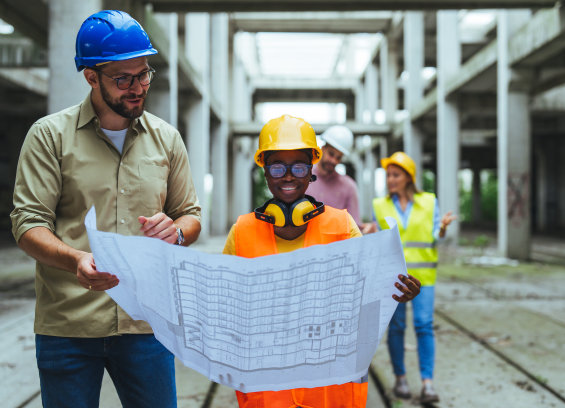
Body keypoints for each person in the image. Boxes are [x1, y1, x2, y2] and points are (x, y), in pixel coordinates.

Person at [10, 10, 201, 408]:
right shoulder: (49, 137)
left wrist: (178, 231)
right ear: (91, 76)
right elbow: (28, 224)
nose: (137, 87)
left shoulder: (167, 140)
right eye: (123, 78)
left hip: (147, 322)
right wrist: (75, 258)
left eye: (144, 74)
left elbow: (190, 214)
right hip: (69, 326)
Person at [223, 115, 422, 408]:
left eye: (299, 166)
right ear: (265, 171)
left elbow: (369, 285)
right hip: (269, 389)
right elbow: (226, 302)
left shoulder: (342, 225)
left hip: (327, 390)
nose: (288, 176)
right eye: (277, 166)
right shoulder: (242, 231)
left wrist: (395, 289)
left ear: (310, 171)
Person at [371, 151, 456, 404]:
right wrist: (369, 232)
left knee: (423, 325)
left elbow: (434, 234)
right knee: (396, 328)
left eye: (395, 175)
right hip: (394, 278)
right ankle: (400, 378)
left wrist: (441, 229)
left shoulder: (429, 202)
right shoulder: (380, 205)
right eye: (388, 175)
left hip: (424, 276)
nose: (390, 180)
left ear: (409, 177)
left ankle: (427, 384)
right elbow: (379, 239)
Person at [306, 125, 375, 233]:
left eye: (338, 157)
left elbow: (354, 226)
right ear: (322, 149)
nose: (333, 161)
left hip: (336, 246)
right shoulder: (303, 179)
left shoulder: (348, 186)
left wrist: (367, 230)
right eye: (331, 154)